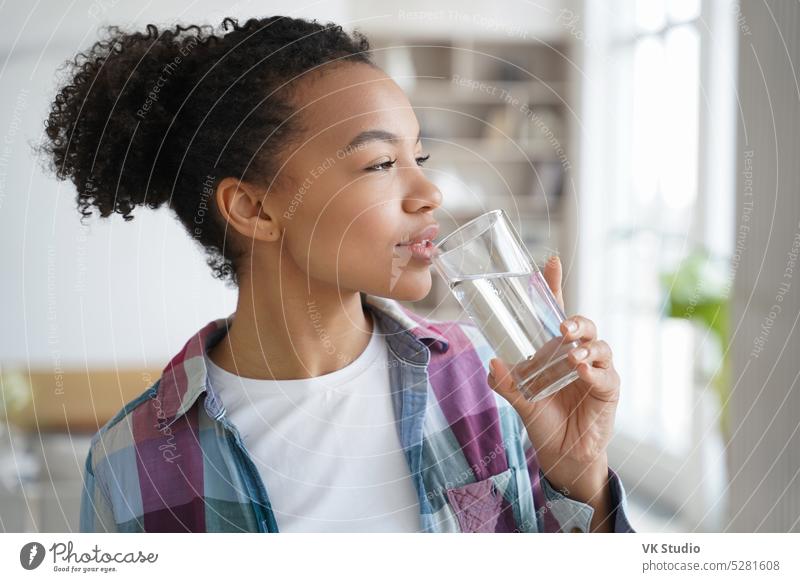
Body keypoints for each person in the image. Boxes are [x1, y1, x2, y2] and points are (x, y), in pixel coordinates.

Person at [41, 15, 634, 533]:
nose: (429, 191)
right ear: (255, 208)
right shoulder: (132, 460)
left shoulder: (497, 381)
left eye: (418, 157)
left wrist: (581, 479)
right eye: (380, 162)